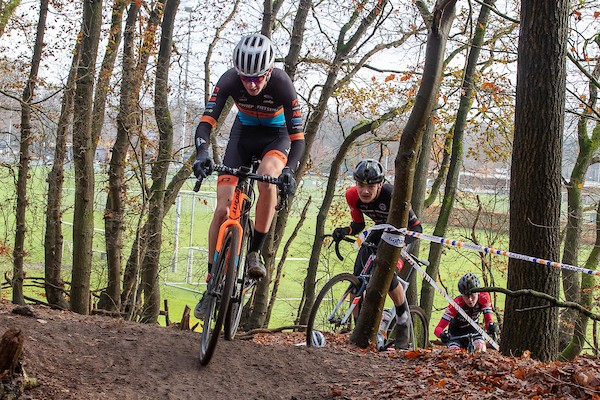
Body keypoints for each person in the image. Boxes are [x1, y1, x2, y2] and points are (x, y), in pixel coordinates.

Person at [193, 33, 305, 319]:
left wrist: (289, 171)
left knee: (268, 178)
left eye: (258, 77)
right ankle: (210, 281)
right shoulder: (229, 79)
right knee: (222, 207)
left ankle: (255, 250)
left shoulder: (282, 84)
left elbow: (298, 139)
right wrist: (202, 153)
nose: (252, 84)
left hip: (276, 138)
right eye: (246, 78)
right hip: (242, 137)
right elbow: (206, 123)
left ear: (269, 71)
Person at [332, 159, 423, 350]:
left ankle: (402, 319)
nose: (365, 191)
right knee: (357, 280)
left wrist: (400, 245)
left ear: (380, 185)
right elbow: (358, 225)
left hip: (401, 234)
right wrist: (345, 230)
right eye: (361, 185)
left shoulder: (392, 195)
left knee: (387, 276)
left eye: (371, 186)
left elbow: (417, 227)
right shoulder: (352, 196)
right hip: (380, 230)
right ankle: (360, 331)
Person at [434, 272, 498, 352]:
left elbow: (488, 321)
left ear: (478, 292)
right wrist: (442, 334)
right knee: (454, 354)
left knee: (480, 347)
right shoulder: (456, 304)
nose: (470, 299)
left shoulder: (484, 297)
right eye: (466, 296)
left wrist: (492, 327)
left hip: (473, 329)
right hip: (455, 333)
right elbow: (438, 328)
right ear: (461, 295)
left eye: (472, 295)